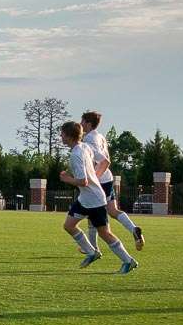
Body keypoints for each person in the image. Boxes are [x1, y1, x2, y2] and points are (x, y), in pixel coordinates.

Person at [60, 120, 138, 274]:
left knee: (104, 233)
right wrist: (96, 176)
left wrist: (67, 179)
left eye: (62, 133)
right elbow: (104, 160)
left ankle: (129, 261)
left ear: (68, 136)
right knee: (68, 225)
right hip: (85, 199)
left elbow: (83, 181)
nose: (60, 136)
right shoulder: (85, 146)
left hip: (94, 200)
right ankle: (92, 252)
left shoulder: (76, 154)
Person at [80, 111, 144, 252]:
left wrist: (94, 178)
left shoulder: (89, 139)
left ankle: (92, 248)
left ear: (89, 124)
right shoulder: (101, 137)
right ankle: (134, 228)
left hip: (99, 179)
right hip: (107, 178)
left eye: (83, 121)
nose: (80, 124)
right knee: (113, 210)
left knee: (92, 213)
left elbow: (103, 160)